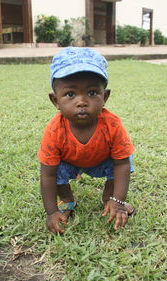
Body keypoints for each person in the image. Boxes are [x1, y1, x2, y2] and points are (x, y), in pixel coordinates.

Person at [38, 47, 135, 234]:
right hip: (68, 163)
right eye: (70, 94)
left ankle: (109, 198)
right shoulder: (54, 130)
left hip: (102, 161)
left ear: (104, 96)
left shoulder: (112, 125)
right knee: (56, 171)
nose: (82, 101)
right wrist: (51, 212)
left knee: (125, 160)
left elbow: (122, 164)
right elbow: (47, 174)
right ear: (55, 101)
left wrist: (119, 201)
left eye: (92, 93)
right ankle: (66, 200)